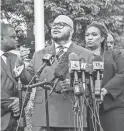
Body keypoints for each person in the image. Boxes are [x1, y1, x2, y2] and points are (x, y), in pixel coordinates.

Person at [19, 15, 93, 131]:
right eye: (54, 25)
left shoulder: (86, 54)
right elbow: (30, 80)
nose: (56, 27)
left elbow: (91, 88)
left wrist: (75, 86)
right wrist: (21, 70)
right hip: (43, 116)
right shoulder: (39, 54)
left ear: (72, 31)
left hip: (72, 116)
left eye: (61, 25)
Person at [85, 21, 124, 131]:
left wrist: (105, 90)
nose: (90, 38)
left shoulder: (114, 54)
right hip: (89, 109)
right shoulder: (82, 56)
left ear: (102, 38)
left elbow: (122, 73)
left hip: (113, 107)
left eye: (94, 34)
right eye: (87, 35)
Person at [1, 23, 30, 131]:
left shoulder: (15, 58)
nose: (17, 39)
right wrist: (13, 104)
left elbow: (29, 84)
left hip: (17, 122)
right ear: (1, 38)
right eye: (13, 37)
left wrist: (21, 101)